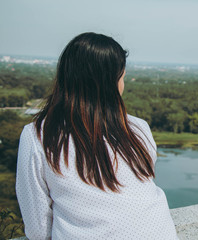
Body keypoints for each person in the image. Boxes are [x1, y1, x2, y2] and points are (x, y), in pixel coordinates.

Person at [16, 32, 178, 240]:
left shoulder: (40, 136)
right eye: (122, 77)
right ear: (111, 83)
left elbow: (38, 228)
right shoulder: (138, 129)